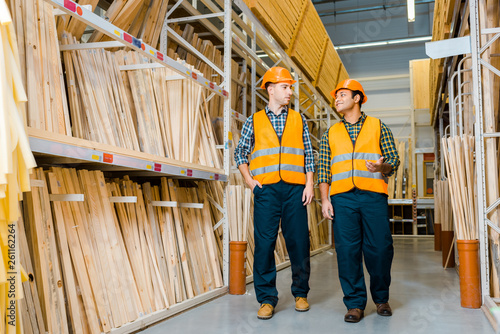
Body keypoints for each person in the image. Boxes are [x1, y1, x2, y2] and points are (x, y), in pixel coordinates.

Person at [234, 66, 315, 320]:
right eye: (285, 87)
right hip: (266, 190)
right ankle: (267, 298)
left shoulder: (299, 119)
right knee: (265, 244)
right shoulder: (254, 121)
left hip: (295, 189)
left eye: (290, 87)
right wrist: (249, 181)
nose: (290, 91)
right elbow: (240, 153)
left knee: (299, 242)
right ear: (271, 90)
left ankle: (300, 293)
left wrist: (309, 183)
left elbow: (309, 155)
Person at [318, 79, 400, 323]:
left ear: (357, 98)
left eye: (343, 94)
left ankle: (381, 298)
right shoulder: (330, 133)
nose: (337, 99)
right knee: (347, 250)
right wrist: (325, 200)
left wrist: (380, 167)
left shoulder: (378, 126)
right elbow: (324, 169)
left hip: (373, 195)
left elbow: (393, 161)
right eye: (336, 96)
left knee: (380, 248)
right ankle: (354, 304)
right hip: (342, 198)